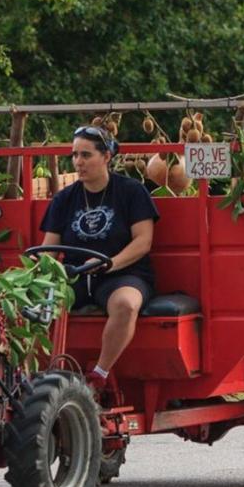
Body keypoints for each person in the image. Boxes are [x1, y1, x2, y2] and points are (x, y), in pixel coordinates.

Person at [39, 125, 159, 393]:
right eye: (74, 155)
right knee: (35, 303)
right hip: (76, 275)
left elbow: (143, 242)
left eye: (85, 155)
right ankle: (38, 373)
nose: (78, 162)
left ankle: (99, 374)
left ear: (106, 157)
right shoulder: (64, 199)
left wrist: (110, 263)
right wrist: (44, 274)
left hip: (122, 273)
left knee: (126, 304)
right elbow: (48, 249)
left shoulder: (131, 191)